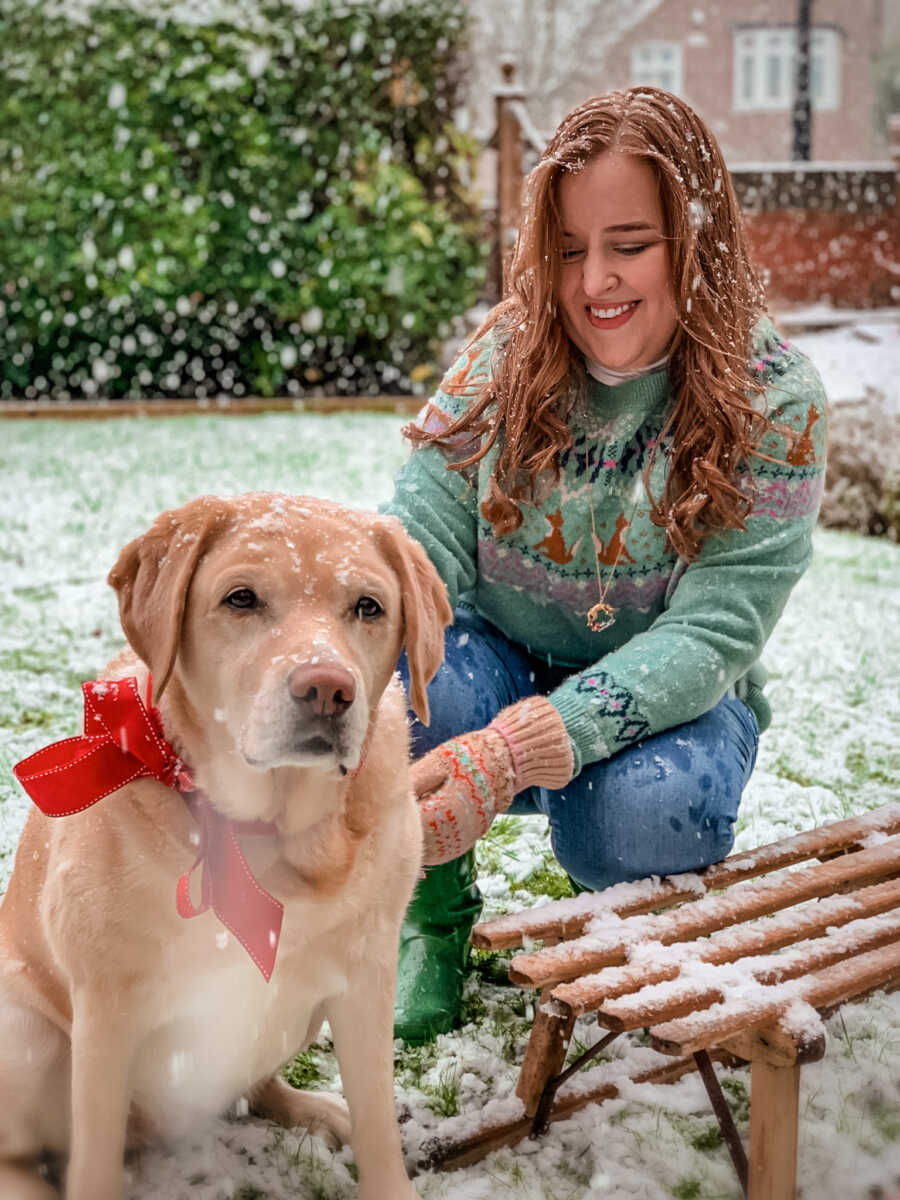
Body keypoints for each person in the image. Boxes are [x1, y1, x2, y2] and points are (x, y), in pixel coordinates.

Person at [381, 86, 827, 1044]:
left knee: (641, 823)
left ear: (694, 238)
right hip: (497, 657)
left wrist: (520, 751)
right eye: (569, 250)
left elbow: (713, 632)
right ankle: (433, 913)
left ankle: (612, 915)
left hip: (675, 693)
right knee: (412, 688)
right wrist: (321, 648)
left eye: (630, 245)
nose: (593, 283)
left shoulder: (774, 397)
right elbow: (416, 542)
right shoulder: (506, 353)